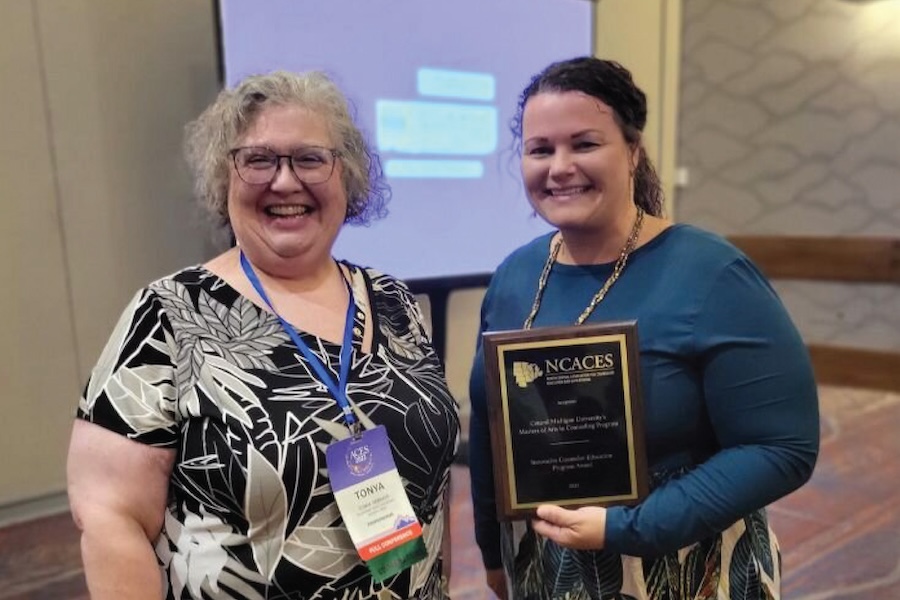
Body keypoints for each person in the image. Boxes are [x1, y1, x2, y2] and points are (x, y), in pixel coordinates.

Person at [67, 70, 459, 599]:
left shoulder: (393, 301)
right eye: (258, 160)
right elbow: (111, 517)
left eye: (310, 158)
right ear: (222, 178)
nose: (285, 181)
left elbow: (433, 486)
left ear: (346, 176)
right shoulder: (168, 314)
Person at [468, 56, 819, 599]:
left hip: (683, 566)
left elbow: (781, 447)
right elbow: (493, 430)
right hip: (544, 566)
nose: (559, 166)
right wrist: (494, 550)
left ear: (633, 151)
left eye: (584, 144)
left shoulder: (713, 274)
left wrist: (634, 528)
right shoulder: (516, 275)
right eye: (540, 149)